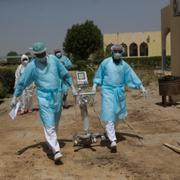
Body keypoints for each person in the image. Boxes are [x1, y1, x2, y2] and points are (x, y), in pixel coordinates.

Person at [11, 42, 77, 162]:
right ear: (35, 55)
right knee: (48, 123)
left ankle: (51, 142)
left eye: (43, 53)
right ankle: (56, 150)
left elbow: (64, 74)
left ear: (46, 51)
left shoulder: (54, 60)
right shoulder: (32, 66)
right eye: (38, 54)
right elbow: (22, 81)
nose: (41, 56)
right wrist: (15, 96)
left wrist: (72, 87)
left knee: (55, 122)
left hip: (57, 95)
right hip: (43, 97)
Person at [92, 44, 147, 151]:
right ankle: (113, 140)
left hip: (119, 92)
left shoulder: (124, 65)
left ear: (122, 52)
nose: (117, 53)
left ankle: (110, 133)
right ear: (112, 52)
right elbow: (99, 75)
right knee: (109, 114)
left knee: (117, 116)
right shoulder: (105, 62)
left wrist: (141, 86)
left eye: (119, 51)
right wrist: (95, 85)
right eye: (115, 51)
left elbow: (132, 75)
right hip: (108, 91)